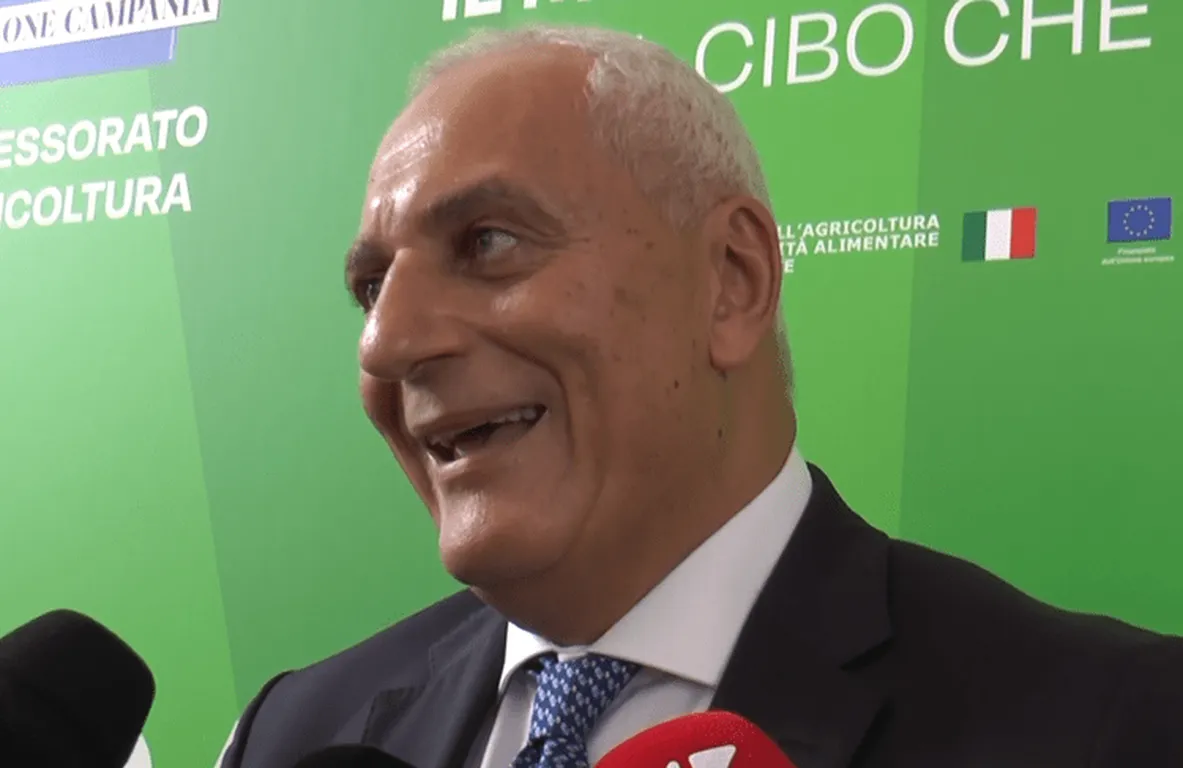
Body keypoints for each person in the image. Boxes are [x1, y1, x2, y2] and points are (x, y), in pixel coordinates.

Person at [218, 24, 1183, 768]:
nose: (387, 343)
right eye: (371, 288)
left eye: (488, 244)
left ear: (732, 281)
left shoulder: (1118, 726)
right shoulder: (293, 733)